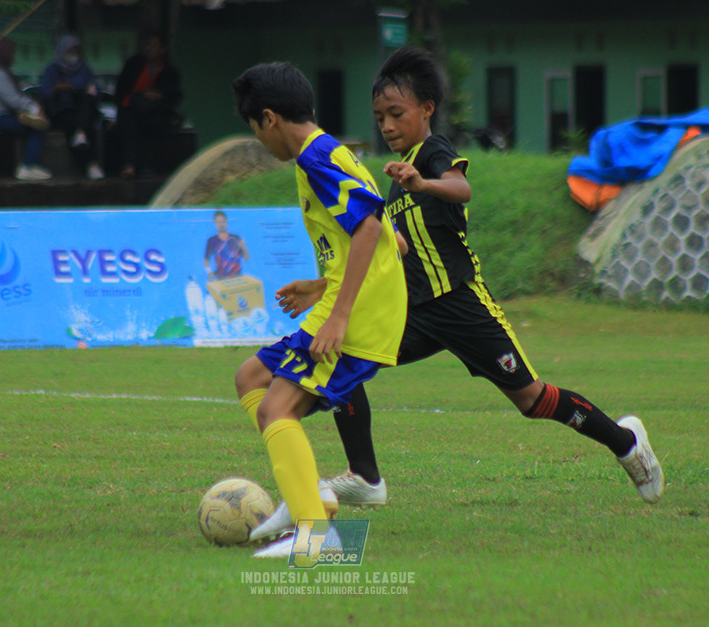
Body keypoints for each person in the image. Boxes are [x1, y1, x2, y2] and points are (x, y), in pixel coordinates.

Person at [261, 47, 664, 540]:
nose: (387, 126)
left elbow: (461, 188)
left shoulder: (432, 155)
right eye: (380, 118)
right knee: (343, 359)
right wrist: (325, 286)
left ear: (426, 109)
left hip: (461, 304)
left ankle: (626, 443)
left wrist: (425, 182)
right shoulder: (393, 181)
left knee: (532, 400)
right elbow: (392, 253)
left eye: (396, 114)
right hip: (412, 309)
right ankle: (365, 477)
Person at [230, 62, 407, 559]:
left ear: (269, 119)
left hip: (357, 315)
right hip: (348, 300)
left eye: (254, 130)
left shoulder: (315, 158)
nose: (261, 142)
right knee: (250, 378)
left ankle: (317, 538)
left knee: (275, 408)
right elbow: (393, 239)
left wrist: (340, 313)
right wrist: (321, 285)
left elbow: (371, 228)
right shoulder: (331, 152)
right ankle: (304, 498)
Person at [0, 38, 53, 181]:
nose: (12, 57)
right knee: (36, 128)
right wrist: (34, 107)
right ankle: (28, 166)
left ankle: (29, 164)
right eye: (10, 53)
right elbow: (13, 99)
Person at [114, 31, 184, 179]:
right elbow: (121, 90)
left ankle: (150, 166)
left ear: (163, 49)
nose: (149, 49)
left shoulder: (170, 72)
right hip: (129, 108)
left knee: (155, 123)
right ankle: (129, 165)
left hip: (154, 111)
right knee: (129, 122)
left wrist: (160, 94)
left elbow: (175, 95)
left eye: (153, 46)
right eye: (147, 46)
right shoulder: (134, 64)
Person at [40, 34, 105, 180]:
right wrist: (58, 88)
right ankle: (91, 164)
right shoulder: (52, 70)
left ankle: (81, 135)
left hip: (82, 109)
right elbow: (44, 93)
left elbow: (96, 90)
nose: (74, 55)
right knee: (81, 124)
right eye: (70, 51)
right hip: (61, 111)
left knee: (86, 115)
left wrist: (90, 89)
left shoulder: (84, 69)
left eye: (76, 51)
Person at [204, 210, 250, 280]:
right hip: (222, 278)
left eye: (223, 221)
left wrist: (244, 247)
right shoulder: (211, 241)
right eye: (218, 222)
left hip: (237, 278)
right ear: (215, 223)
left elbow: (247, 259)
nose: (221, 224)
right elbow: (206, 260)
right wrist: (209, 272)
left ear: (226, 222)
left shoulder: (236, 238)